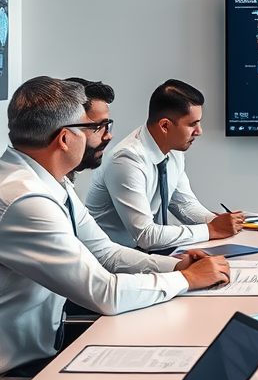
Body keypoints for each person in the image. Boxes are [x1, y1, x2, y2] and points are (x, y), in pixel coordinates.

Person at [0, 77, 230, 380]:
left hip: (19, 361)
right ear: (65, 137)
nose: (99, 135)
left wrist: (177, 264)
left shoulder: (47, 181)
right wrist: (183, 280)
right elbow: (103, 293)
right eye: (92, 127)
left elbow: (104, 252)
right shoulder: (22, 199)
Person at [86, 79, 244, 251]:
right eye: (192, 124)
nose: (199, 131)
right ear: (165, 126)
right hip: (112, 260)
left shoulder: (174, 150)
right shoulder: (126, 160)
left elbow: (184, 205)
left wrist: (215, 221)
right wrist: (211, 229)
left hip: (145, 254)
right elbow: (145, 235)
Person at [64, 77, 115, 183]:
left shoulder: (63, 181)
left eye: (107, 125)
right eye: (99, 126)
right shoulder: (36, 190)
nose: (108, 136)